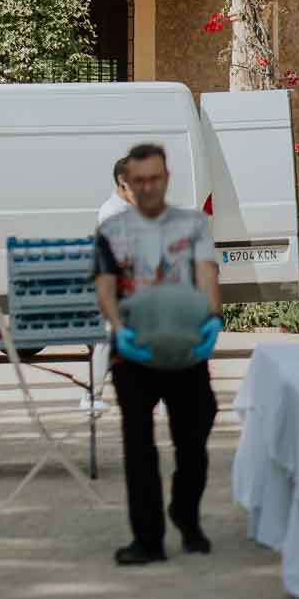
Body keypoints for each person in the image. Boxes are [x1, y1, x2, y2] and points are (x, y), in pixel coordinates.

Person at [93, 141, 222, 567]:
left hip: (187, 350)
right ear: (126, 183)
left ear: (166, 179)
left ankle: (186, 515)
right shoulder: (111, 231)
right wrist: (117, 328)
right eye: (138, 180)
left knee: (193, 439)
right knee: (139, 447)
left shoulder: (192, 225)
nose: (147, 186)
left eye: (154, 178)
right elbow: (105, 287)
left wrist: (213, 318)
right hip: (134, 354)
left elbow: (206, 272)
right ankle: (147, 539)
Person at [83, 158, 134, 412]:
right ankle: (91, 394)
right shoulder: (112, 212)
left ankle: (93, 394)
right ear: (123, 183)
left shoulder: (124, 209)